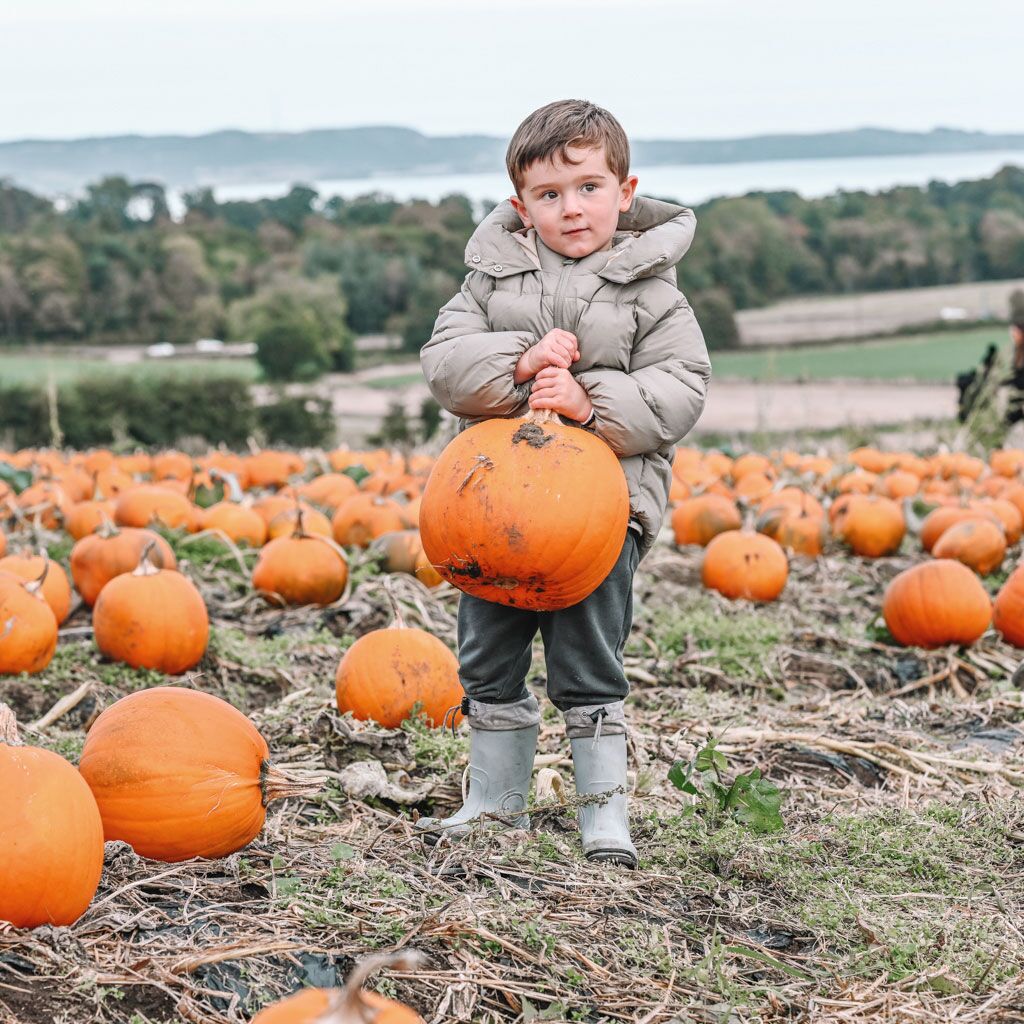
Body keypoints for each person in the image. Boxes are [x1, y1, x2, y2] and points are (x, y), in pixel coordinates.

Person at [417, 100, 712, 867]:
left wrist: (592, 402)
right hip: (490, 514)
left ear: (625, 190)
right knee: (486, 654)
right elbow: (444, 364)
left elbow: (682, 390)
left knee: (587, 663)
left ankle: (601, 813)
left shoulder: (656, 294)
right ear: (522, 206)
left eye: (587, 187)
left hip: (601, 515)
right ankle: (494, 804)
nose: (570, 208)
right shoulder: (489, 280)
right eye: (549, 195)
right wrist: (518, 361)